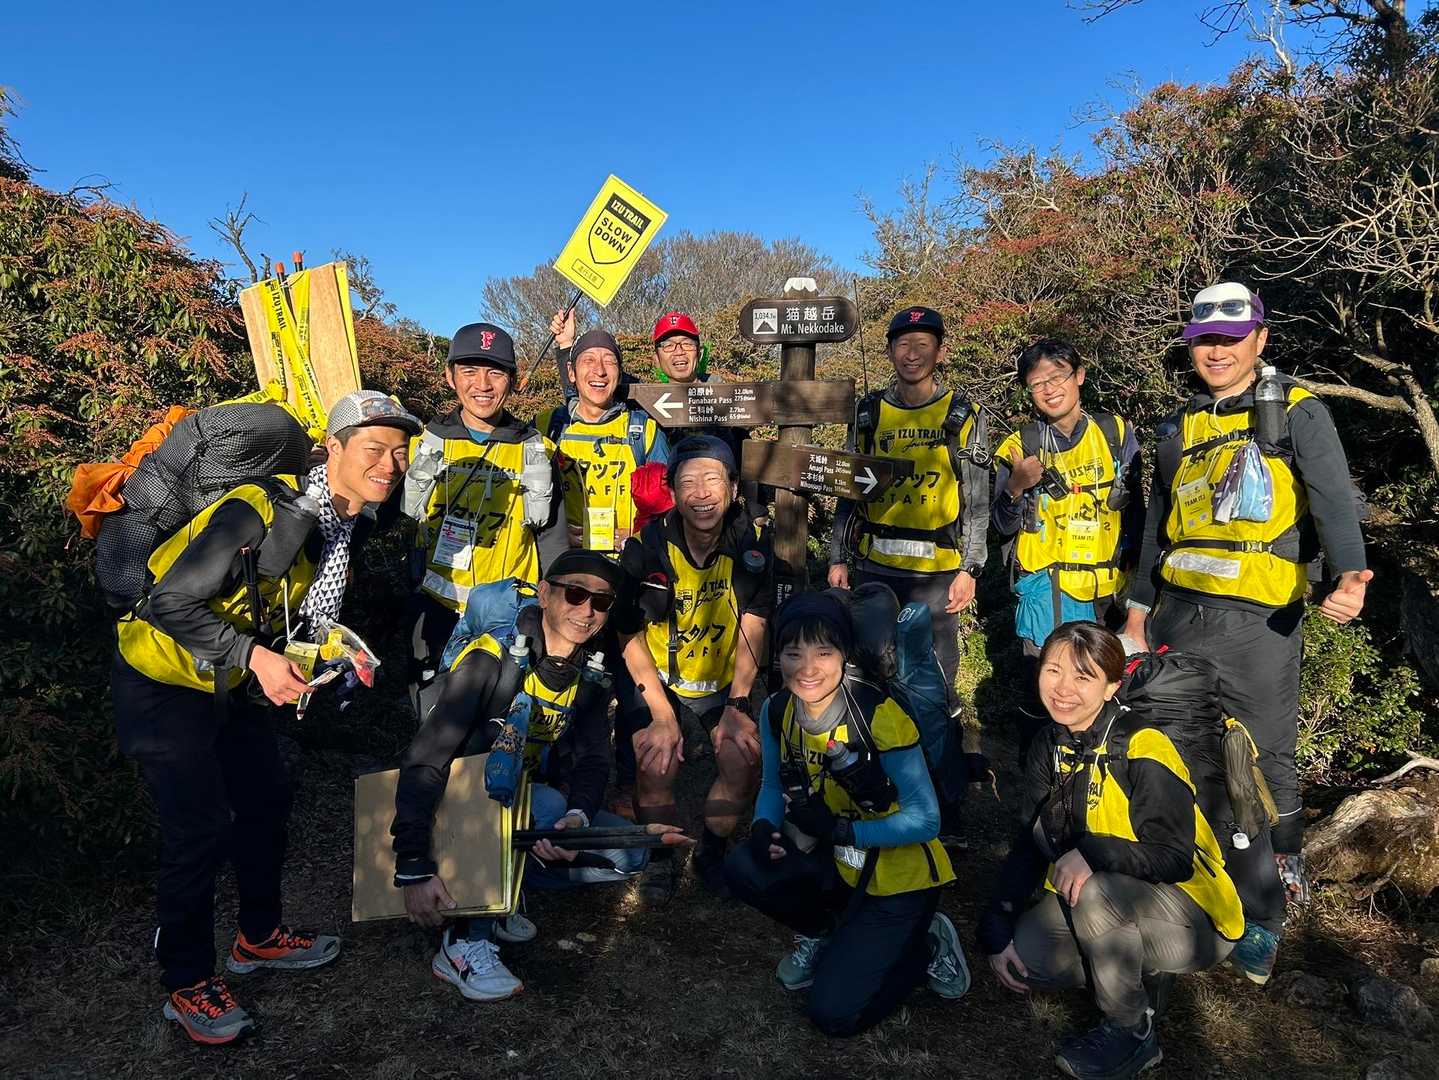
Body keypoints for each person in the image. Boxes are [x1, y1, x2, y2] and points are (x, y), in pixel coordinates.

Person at [111, 390, 421, 1044]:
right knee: (198, 828)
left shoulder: (340, 524)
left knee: (266, 799)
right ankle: (187, 981)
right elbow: (169, 602)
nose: (390, 465)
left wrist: (324, 653)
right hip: (161, 678)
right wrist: (255, 657)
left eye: (400, 452)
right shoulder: (259, 509)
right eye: (374, 448)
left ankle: (257, 937)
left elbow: (282, 608)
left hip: (226, 680)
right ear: (332, 449)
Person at [1119, 282, 1370, 982]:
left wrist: (1349, 576)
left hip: (1260, 619)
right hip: (1178, 615)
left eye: (1231, 340)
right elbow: (1156, 525)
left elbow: (1332, 496)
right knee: (1177, 750)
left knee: (1263, 758)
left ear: (1260, 339)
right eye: (1205, 340)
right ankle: (1195, 879)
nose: (1217, 352)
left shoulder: (1296, 410)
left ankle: (1271, 906)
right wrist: (1137, 609)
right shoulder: (1178, 425)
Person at [391, 550, 671, 1002]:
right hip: (458, 803)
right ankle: (462, 943)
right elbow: (426, 760)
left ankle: (504, 892)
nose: (587, 611)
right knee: (541, 804)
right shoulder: (490, 660)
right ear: (544, 594)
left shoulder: (589, 672)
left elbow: (593, 759)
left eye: (601, 602)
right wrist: (413, 867)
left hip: (520, 800)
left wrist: (577, 819)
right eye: (575, 594)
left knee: (630, 853)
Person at [979, 622, 1243, 1080]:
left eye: (1083, 677)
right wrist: (997, 925)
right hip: (1110, 898)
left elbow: (1174, 857)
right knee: (1028, 962)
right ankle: (1136, 970)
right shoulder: (1050, 742)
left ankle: (1132, 1031)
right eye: (1054, 670)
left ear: (1111, 687)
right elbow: (1031, 841)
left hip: (1194, 917)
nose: (1063, 689)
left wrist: (1094, 853)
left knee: (1095, 892)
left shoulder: (1142, 746)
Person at [724, 591, 969, 1037]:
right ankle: (824, 934)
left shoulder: (878, 714)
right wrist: (762, 826)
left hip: (900, 880)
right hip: (841, 864)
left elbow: (925, 820)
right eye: (793, 652)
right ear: (777, 656)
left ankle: (925, 944)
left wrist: (842, 830)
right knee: (744, 865)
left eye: (823, 652)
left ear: (844, 654)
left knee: (833, 1014)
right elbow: (773, 785)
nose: (807, 668)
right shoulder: (777, 709)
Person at [828, 306, 990, 835]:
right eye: (902, 343)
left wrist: (971, 567)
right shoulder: (869, 414)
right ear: (889, 351)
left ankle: (946, 802)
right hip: (876, 566)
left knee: (935, 686)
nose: (912, 353)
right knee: (872, 675)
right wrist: (837, 556)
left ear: (940, 351)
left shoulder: (961, 414)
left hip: (938, 572)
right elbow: (849, 489)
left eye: (923, 343)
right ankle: (881, 788)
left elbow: (977, 497)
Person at [613, 435, 772, 902]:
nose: (701, 493)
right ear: (672, 491)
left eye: (712, 480)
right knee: (654, 761)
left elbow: (755, 623)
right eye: (687, 483)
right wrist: (661, 714)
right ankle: (661, 856)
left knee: (742, 761)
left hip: (721, 680)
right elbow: (627, 634)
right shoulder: (646, 548)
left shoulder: (751, 545)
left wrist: (739, 703)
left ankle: (712, 850)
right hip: (661, 676)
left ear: (733, 487)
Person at [402, 322, 561, 718]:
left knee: (496, 718)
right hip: (437, 606)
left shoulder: (537, 450)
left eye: (496, 372)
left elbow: (552, 536)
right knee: (431, 715)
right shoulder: (424, 443)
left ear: (514, 380)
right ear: (449, 376)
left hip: (508, 609)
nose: (483, 385)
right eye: (470, 371)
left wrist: (553, 607)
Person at [992, 338, 1144, 750]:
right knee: (1048, 700)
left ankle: (1096, 777)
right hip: (1047, 596)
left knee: (1106, 695)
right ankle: (1042, 775)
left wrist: (1138, 596)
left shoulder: (1114, 433)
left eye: (1057, 376)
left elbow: (1136, 513)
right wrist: (1015, 487)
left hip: (1108, 595)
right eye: (1037, 383)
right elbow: (1001, 526)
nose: (1049, 389)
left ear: (1079, 376)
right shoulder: (1018, 446)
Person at [537, 311, 670, 553]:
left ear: (619, 374)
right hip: (565, 562)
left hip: (627, 562)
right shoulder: (547, 427)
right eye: (588, 360)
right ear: (571, 372)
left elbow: (669, 506)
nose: (599, 370)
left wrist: (639, 534)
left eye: (609, 361)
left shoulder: (645, 430)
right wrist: (555, 533)